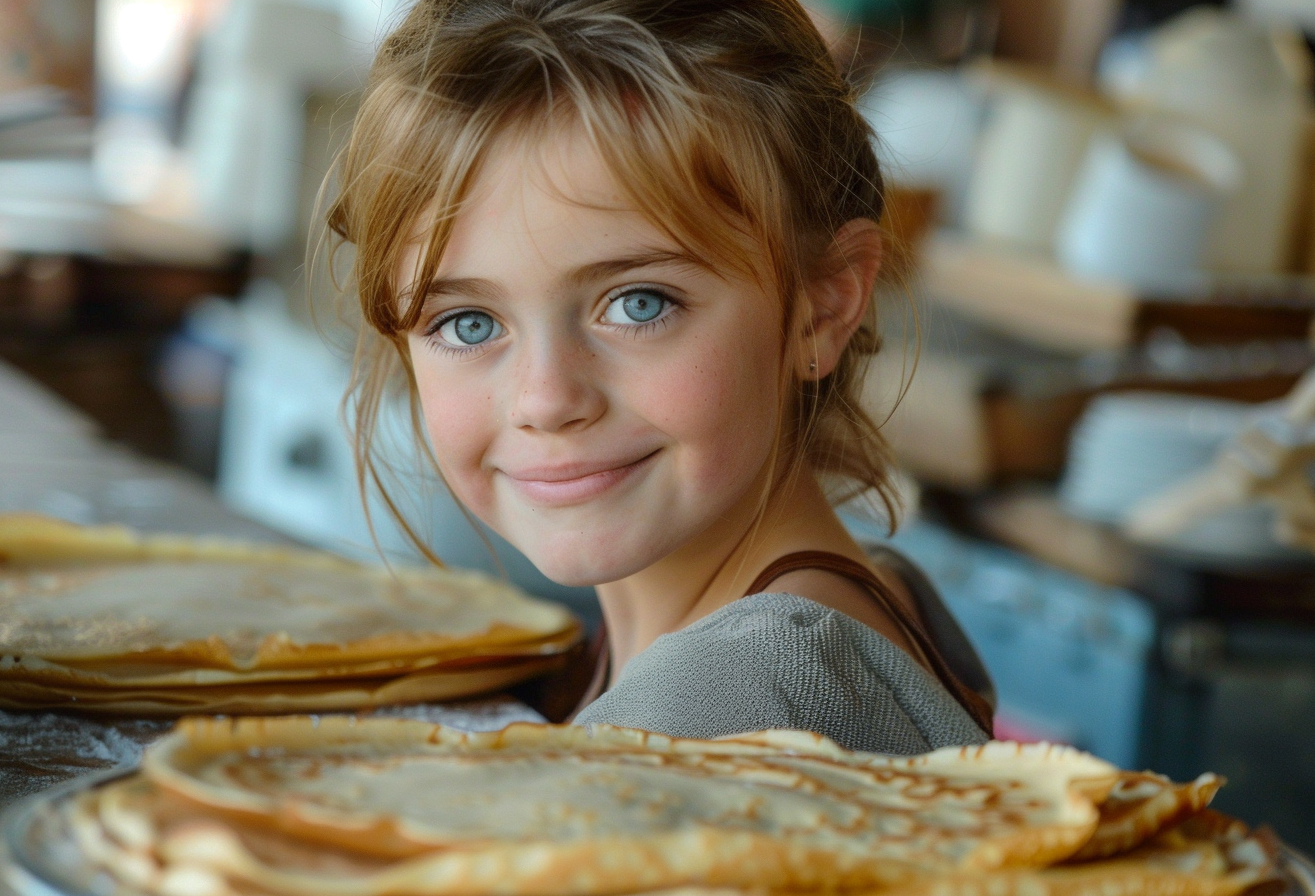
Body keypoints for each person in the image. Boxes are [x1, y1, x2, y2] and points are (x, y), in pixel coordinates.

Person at [326, 0, 993, 754]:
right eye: (468, 324)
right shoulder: (847, 598)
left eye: (639, 304)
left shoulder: (728, 707)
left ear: (823, 306)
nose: (547, 401)